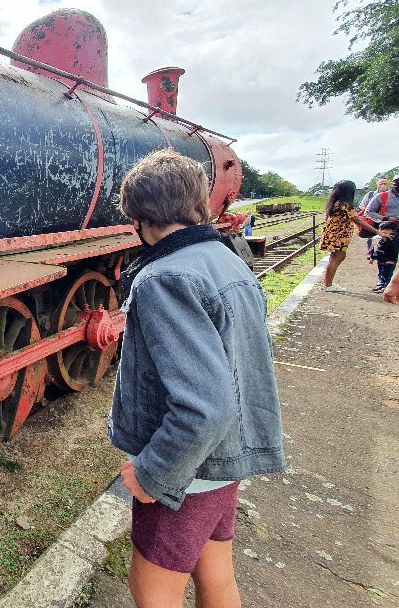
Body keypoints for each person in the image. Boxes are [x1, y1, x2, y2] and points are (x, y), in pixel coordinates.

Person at [110, 149, 285, 608]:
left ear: (139, 217)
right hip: (224, 462)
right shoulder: (226, 261)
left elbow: (206, 406)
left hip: (188, 474)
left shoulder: (163, 277)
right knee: (217, 576)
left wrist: (153, 473)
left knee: (152, 592)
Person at [320, 180, 379, 292]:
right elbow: (357, 220)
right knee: (337, 257)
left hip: (334, 234)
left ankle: (327, 284)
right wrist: (377, 231)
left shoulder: (336, 202)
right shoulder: (345, 205)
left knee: (335, 257)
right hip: (339, 235)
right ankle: (328, 285)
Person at [369, 220, 398, 293]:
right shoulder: (378, 238)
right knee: (380, 273)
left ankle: (386, 286)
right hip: (381, 260)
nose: (383, 233)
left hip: (390, 260)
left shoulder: (394, 240)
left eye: (387, 231)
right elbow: (375, 248)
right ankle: (381, 285)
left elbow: (395, 250)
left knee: (387, 274)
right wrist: (372, 257)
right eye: (382, 231)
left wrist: (388, 240)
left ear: (393, 231)